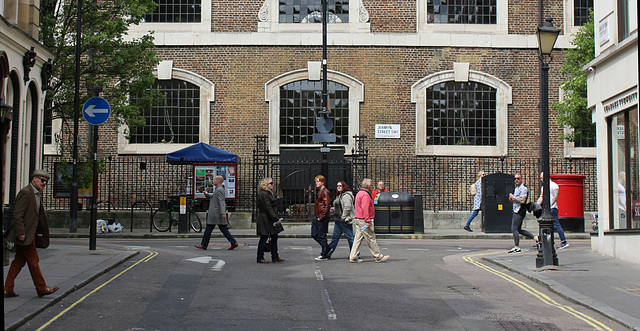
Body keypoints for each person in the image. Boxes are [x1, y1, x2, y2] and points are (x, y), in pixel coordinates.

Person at [4, 169, 59, 298]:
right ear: (34, 179)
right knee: (34, 260)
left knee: (19, 261)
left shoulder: (36, 194)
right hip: (25, 235)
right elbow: (17, 214)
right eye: (42, 180)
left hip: (30, 234)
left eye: (46, 181)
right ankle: (41, 288)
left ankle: (7, 288)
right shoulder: (25, 193)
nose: (44, 183)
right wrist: (21, 232)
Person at [349, 178, 390, 263]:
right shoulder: (365, 195)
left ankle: (353, 256)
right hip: (364, 220)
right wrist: (368, 220)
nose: (372, 187)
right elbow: (365, 208)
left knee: (358, 238)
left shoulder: (359, 193)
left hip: (358, 218)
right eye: (371, 185)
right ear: (368, 187)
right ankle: (378, 256)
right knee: (371, 238)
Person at [195, 175, 238, 250]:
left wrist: (223, 213)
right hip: (217, 213)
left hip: (216, 213)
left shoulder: (219, 190)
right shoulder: (218, 189)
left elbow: (221, 202)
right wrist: (207, 195)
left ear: (218, 181)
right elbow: (214, 197)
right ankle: (233, 242)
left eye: (214, 179)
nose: (213, 181)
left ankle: (204, 245)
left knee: (210, 229)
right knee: (223, 229)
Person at [255, 178, 285, 263]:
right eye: (271, 183)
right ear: (266, 185)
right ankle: (260, 257)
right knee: (264, 237)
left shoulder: (269, 193)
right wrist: (276, 218)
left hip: (269, 218)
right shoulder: (264, 194)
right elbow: (268, 207)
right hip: (265, 218)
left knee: (274, 236)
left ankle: (275, 256)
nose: (273, 184)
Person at [508, 173, 537, 254]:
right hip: (515, 209)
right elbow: (513, 201)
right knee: (518, 230)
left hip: (520, 210)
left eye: (518, 178)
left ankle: (517, 247)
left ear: (521, 179)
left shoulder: (523, 188)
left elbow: (523, 200)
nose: (516, 180)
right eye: (515, 179)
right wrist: (511, 198)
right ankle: (535, 238)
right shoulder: (517, 188)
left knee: (514, 229)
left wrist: (513, 197)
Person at [538, 172, 568, 250]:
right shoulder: (543, 187)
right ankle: (545, 242)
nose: (541, 180)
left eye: (541, 178)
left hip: (553, 208)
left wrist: (550, 205)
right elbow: (541, 197)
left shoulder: (554, 185)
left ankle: (564, 241)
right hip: (546, 209)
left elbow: (555, 196)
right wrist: (537, 204)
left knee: (556, 225)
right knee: (546, 225)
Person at [326, 181, 355, 259]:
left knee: (350, 238)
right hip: (338, 220)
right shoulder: (339, 196)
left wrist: (343, 217)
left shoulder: (346, 196)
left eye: (340, 186)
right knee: (335, 238)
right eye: (337, 186)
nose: (338, 187)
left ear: (344, 186)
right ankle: (328, 252)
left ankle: (355, 254)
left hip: (344, 221)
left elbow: (347, 207)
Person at [312, 175, 331, 261]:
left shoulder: (325, 192)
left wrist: (321, 216)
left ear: (322, 182)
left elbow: (327, 206)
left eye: (318, 181)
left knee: (322, 235)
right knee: (314, 234)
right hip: (318, 216)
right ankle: (326, 248)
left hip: (321, 217)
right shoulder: (320, 191)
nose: (316, 183)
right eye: (316, 181)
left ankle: (324, 254)